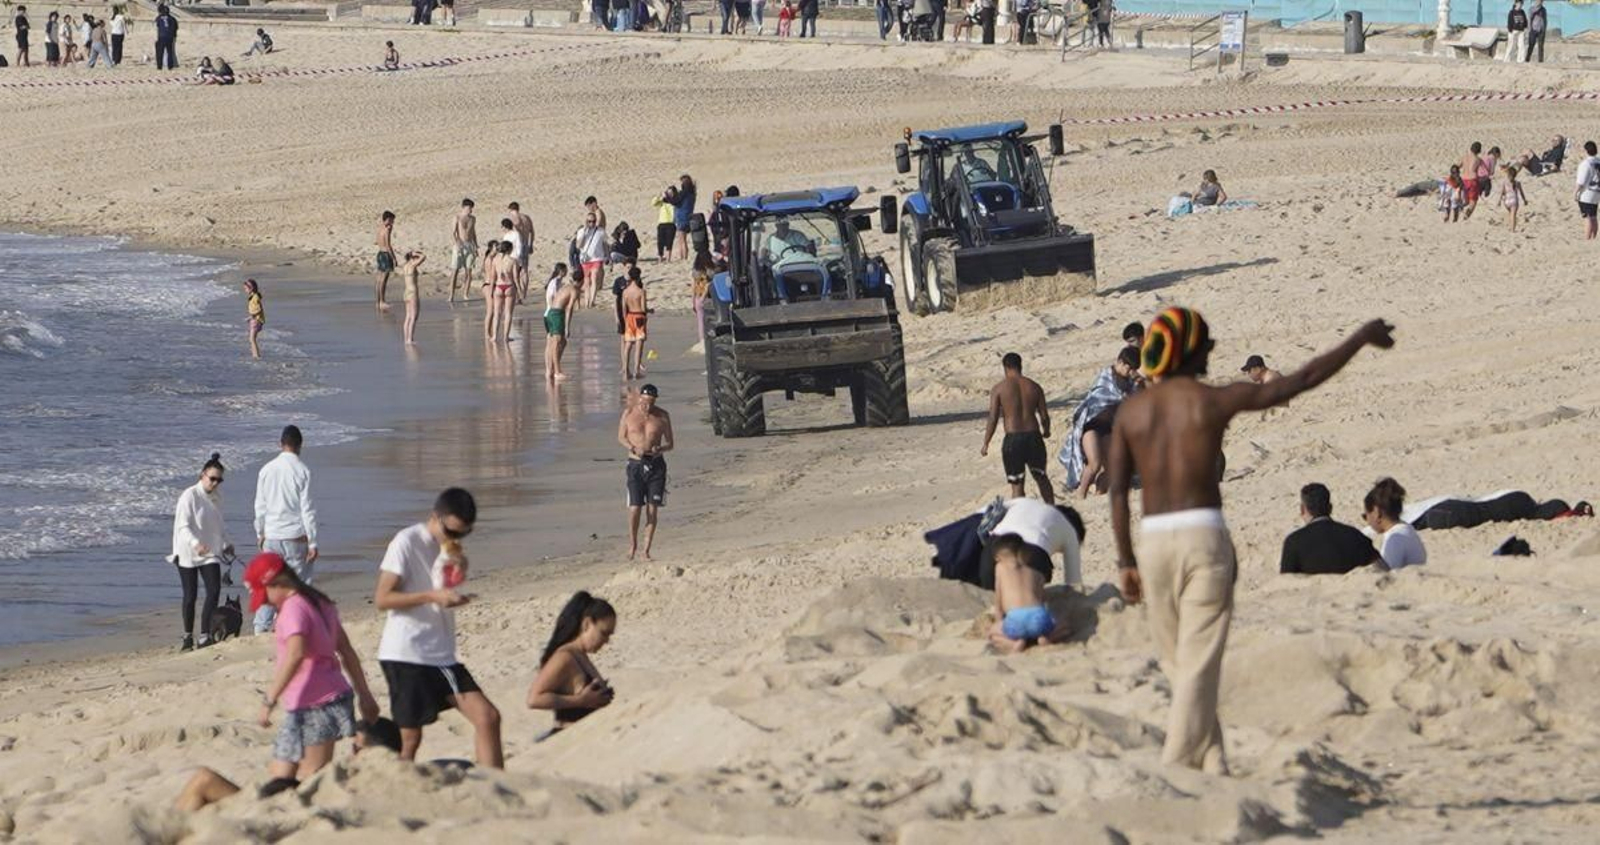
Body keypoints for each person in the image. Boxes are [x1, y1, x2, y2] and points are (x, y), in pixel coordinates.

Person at [1108, 307, 1395, 773]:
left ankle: (1213, 759)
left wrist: (1125, 560)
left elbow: (1119, 492)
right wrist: (1359, 337)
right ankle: (1178, 765)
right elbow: (1300, 380)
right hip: (1203, 537)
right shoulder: (1210, 401)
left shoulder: (1132, 412)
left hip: (1154, 541)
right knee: (1196, 663)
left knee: (1179, 662)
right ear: (1197, 352)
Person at [375, 488, 504, 768]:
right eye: (453, 531)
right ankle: (392, 791)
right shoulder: (407, 541)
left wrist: (456, 581)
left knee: (488, 717)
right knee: (409, 737)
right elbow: (383, 599)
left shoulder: (448, 548)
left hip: (441, 653)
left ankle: (494, 787)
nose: (456, 538)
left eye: (463, 534)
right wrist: (433, 596)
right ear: (436, 517)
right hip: (406, 653)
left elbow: (440, 591)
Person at [246, 551, 382, 795]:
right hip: (304, 703)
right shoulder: (320, 602)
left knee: (312, 778)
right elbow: (346, 651)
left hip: (320, 703)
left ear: (276, 584)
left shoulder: (293, 609)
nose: (265, 603)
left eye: (263, 595)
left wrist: (269, 700)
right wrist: (364, 695)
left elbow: (296, 654)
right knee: (280, 778)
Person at [253, 425, 320, 633]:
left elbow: (260, 505)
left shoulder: (266, 469)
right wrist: (313, 540)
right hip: (294, 535)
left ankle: (261, 626)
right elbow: (307, 509)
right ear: (300, 445)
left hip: (272, 534)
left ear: (280, 444)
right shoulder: (303, 471)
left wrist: (260, 531)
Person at [526, 592, 617, 737]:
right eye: (604, 633)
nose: (606, 641)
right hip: (568, 738)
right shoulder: (565, 657)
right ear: (586, 624)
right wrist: (580, 700)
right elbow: (534, 699)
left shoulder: (580, 655)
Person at [1059, 347, 1141, 500]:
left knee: (1114, 468)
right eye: (1129, 368)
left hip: (1109, 429)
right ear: (1120, 362)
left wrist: (1139, 383)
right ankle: (1081, 495)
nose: (1130, 372)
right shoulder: (1106, 376)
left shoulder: (1132, 382)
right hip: (1092, 428)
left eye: (1133, 369)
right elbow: (1104, 396)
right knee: (1094, 464)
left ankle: (1098, 494)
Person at [172, 453, 233, 652]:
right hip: (187, 551)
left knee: (214, 590)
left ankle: (205, 635)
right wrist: (195, 543)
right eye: (212, 478)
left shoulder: (216, 497)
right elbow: (183, 526)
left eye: (219, 480)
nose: (215, 483)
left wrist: (226, 544)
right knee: (190, 595)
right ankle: (187, 636)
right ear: (202, 475)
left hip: (209, 552)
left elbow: (219, 526)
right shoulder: (189, 496)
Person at [979, 353, 1055, 503]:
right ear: (1021, 365)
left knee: (1017, 484)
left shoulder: (999, 389)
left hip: (1013, 440)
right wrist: (1046, 431)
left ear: (1005, 367)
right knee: (1041, 477)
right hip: (1034, 437)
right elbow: (1044, 416)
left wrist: (986, 442)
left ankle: (1021, 517)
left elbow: (993, 418)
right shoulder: (1034, 386)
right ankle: (1053, 512)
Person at [619, 385, 673, 560]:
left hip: (656, 465)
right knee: (635, 508)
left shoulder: (662, 416)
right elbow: (621, 437)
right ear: (639, 399)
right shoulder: (628, 414)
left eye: (650, 402)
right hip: (635, 464)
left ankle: (646, 549)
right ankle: (632, 545)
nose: (646, 406)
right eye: (643, 401)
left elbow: (671, 444)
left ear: (655, 401)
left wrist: (660, 448)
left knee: (652, 509)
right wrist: (633, 448)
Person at [1279, 483, 1381, 575]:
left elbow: (1286, 583)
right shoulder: (1355, 535)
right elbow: (1382, 569)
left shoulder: (1293, 542)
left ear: (1302, 509)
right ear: (1330, 508)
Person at [1362, 478, 1426, 569]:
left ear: (1377, 513)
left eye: (1365, 516)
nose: (1367, 522)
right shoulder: (1407, 529)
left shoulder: (1395, 538)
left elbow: (1387, 575)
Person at [544, 265, 577, 382]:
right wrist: (567, 327)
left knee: (558, 342)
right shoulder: (562, 285)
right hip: (553, 313)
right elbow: (569, 309)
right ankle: (555, 371)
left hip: (552, 313)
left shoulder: (562, 284)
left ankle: (551, 370)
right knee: (556, 343)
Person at [574, 213, 608, 308]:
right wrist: (585, 232)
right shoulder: (581, 231)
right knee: (587, 280)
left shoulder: (601, 231)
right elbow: (578, 245)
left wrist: (607, 256)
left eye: (593, 221)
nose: (592, 224)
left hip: (597, 258)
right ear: (586, 221)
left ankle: (592, 300)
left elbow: (605, 244)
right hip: (585, 259)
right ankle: (587, 300)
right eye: (589, 221)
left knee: (594, 276)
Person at [621, 268, 649, 380]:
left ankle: (625, 370)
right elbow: (643, 308)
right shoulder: (641, 291)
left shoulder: (625, 292)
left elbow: (623, 308)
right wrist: (649, 311)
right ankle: (636, 370)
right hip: (639, 316)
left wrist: (625, 319)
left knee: (628, 345)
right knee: (639, 344)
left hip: (629, 316)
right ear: (638, 277)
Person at [449, 199, 477, 303]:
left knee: (469, 271)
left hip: (469, 245)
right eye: (469, 208)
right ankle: (451, 295)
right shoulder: (457, 217)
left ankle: (465, 294)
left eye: (472, 208)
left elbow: (473, 233)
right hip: (459, 245)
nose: (471, 210)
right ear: (464, 207)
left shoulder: (473, 219)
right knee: (455, 271)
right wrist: (457, 243)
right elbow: (453, 233)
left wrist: (476, 246)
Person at [491, 240, 517, 344]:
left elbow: (493, 277)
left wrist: (491, 289)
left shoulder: (495, 260)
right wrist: (519, 289)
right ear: (510, 250)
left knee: (497, 313)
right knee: (508, 313)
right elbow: (515, 277)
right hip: (509, 286)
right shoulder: (513, 261)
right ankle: (506, 336)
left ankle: (494, 336)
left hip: (498, 286)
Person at [1575, 140, 1600, 240]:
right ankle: (1594, 237)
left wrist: (1575, 193)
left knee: (1587, 217)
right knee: (1593, 216)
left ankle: (1587, 238)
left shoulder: (1585, 164)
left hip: (1587, 193)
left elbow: (1581, 181)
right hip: (1597, 191)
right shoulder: (1598, 161)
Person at [510, 202, 535, 301]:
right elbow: (532, 232)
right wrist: (531, 244)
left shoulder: (513, 219)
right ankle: (523, 294)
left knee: (515, 271)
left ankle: (517, 295)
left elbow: (513, 234)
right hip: (525, 244)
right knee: (524, 270)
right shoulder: (526, 218)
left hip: (517, 246)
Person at [401, 250, 426, 345]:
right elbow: (423, 257)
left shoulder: (405, 266)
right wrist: (417, 253)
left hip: (406, 292)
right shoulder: (412, 266)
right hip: (412, 292)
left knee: (407, 316)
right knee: (413, 316)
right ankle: (410, 339)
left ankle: (406, 338)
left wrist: (411, 254)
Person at [375, 211, 397, 310]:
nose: (393, 223)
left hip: (379, 253)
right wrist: (394, 258)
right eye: (392, 220)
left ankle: (378, 301)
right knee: (384, 279)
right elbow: (388, 245)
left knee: (379, 279)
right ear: (388, 219)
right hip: (385, 254)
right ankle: (382, 301)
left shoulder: (380, 228)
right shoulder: (387, 229)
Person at [1498, 164, 1529, 233]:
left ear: (1508, 175)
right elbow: (1521, 193)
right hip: (1514, 201)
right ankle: (1512, 230)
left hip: (1506, 201)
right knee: (1513, 215)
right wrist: (1524, 200)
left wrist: (1499, 201)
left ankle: (1511, 227)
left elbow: (1502, 193)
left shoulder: (1505, 182)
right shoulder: (1517, 183)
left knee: (1510, 214)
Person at [651, 186, 678, 262]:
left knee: (669, 242)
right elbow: (653, 203)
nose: (669, 194)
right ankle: (660, 257)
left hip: (671, 223)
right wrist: (660, 196)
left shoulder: (675, 202)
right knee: (660, 242)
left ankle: (668, 258)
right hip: (662, 223)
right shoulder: (662, 201)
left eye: (671, 193)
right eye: (668, 192)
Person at [244, 279, 265, 360]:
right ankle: (254, 354)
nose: (245, 290)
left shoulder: (255, 297)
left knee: (252, 339)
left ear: (251, 288)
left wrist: (250, 317)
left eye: (246, 289)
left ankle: (256, 356)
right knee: (252, 339)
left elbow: (258, 309)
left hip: (256, 320)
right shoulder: (253, 296)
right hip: (255, 319)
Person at [154, 5, 178, 70]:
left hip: (161, 36)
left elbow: (156, 26)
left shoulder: (159, 18)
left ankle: (159, 66)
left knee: (160, 52)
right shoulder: (172, 18)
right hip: (170, 37)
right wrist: (174, 36)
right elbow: (175, 28)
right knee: (169, 52)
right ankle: (170, 66)